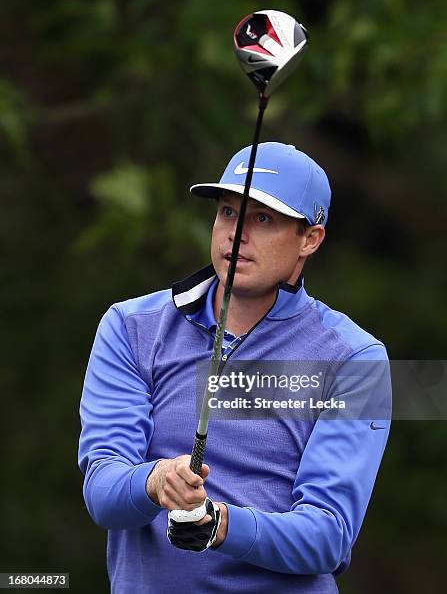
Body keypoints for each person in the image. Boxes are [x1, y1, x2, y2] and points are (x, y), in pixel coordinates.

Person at [78, 142, 391, 593]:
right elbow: (104, 494)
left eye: (263, 219)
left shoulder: (356, 360)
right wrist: (155, 480)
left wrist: (220, 525)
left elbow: (329, 537)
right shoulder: (131, 328)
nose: (236, 233)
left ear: (310, 239)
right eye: (228, 212)